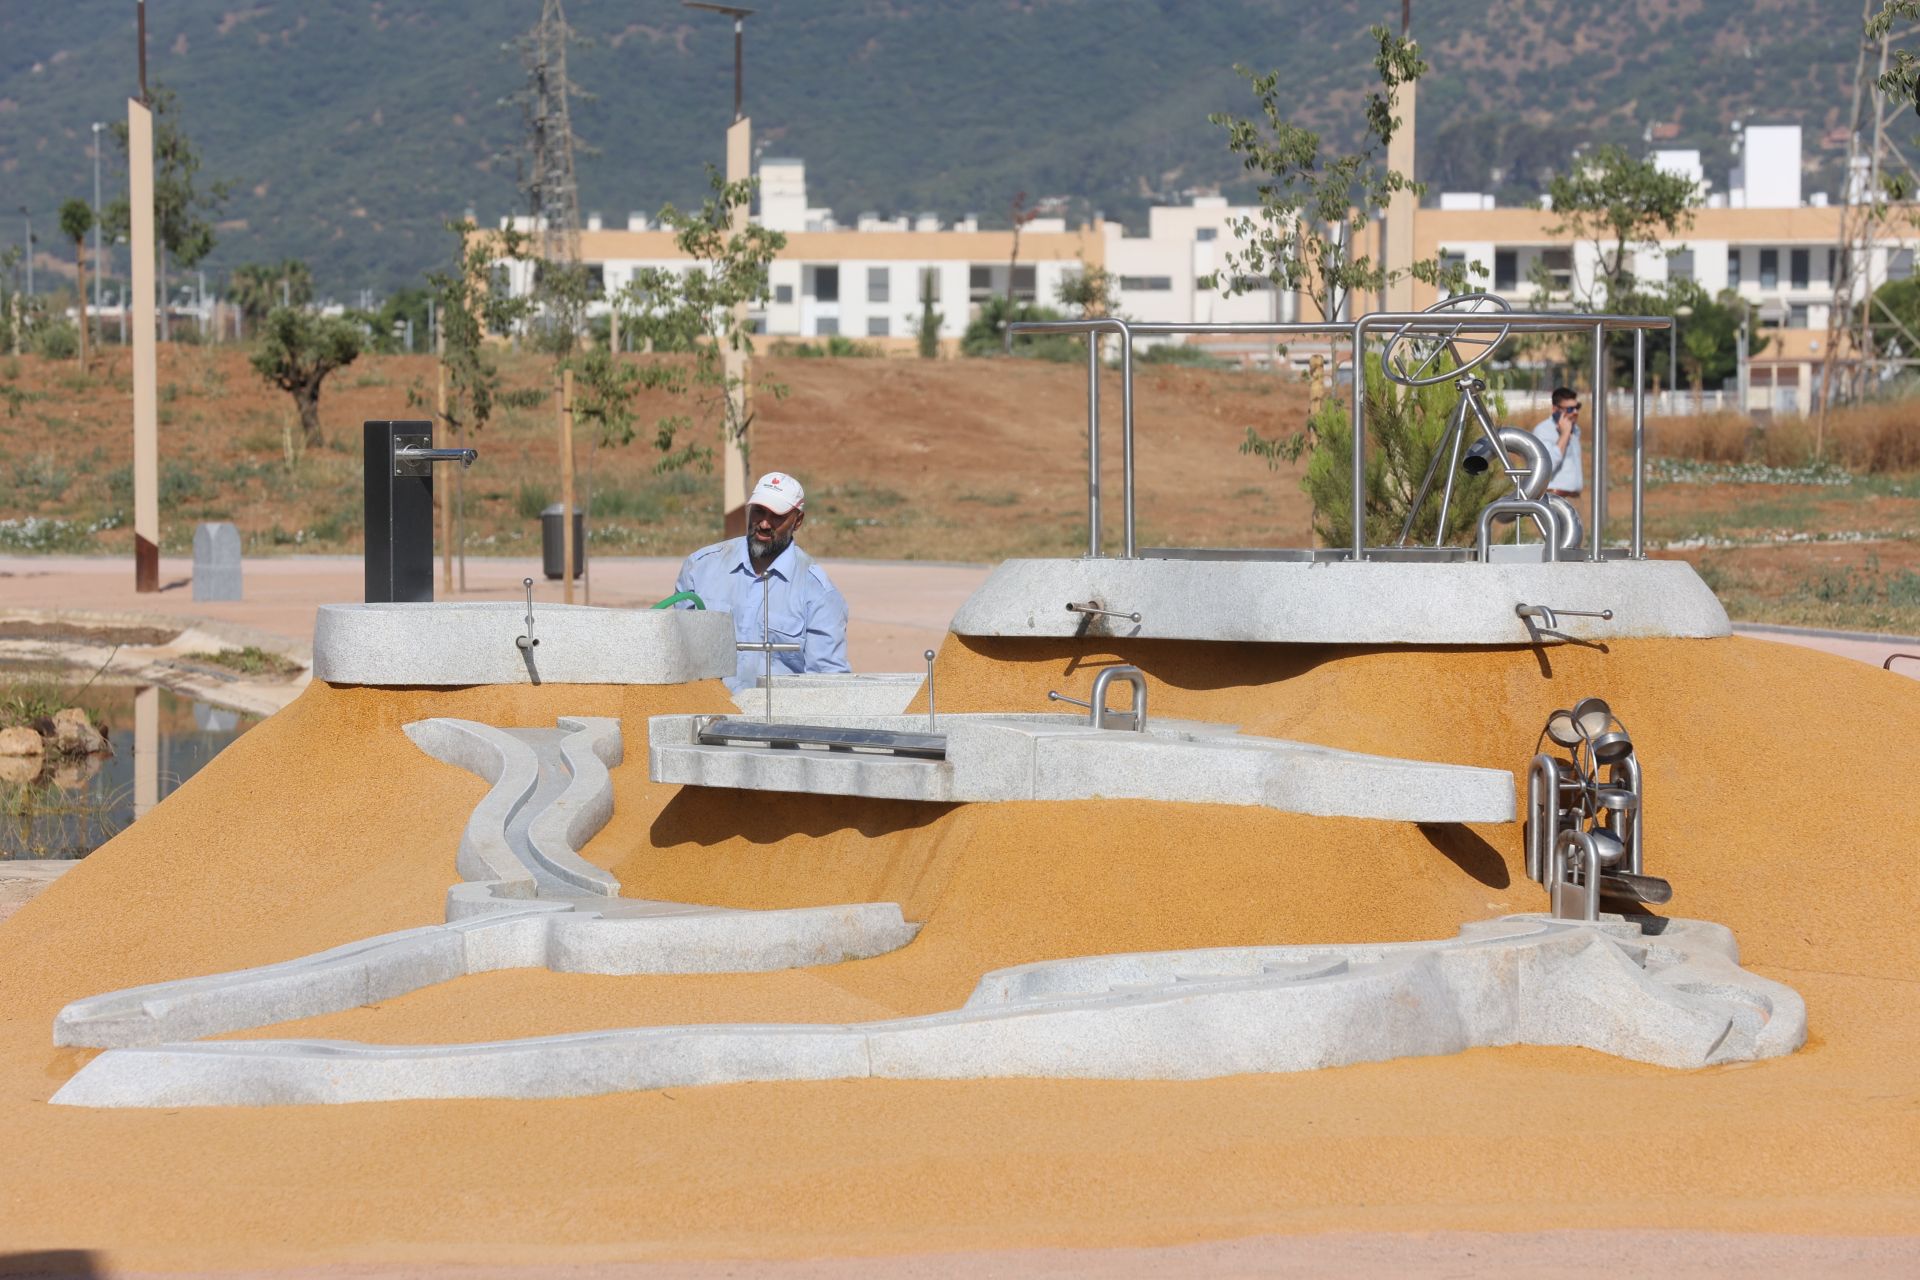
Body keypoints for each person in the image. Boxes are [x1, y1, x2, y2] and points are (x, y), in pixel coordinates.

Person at [672, 471, 850, 692]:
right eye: (758, 511)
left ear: (798, 521)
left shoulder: (819, 593)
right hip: (707, 710)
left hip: (776, 714)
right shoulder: (700, 568)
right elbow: (677, 652)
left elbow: (828, 683)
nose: (764, 524)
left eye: (777, 516)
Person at [1531, 387, 1583, 500]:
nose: (1575, 412)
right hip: (1554, 499)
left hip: (1572, 499)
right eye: (1570, 409)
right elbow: (1547, 466)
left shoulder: (1575, 430)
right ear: (1555, 409)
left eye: (1577, 407)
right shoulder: (1543, 430)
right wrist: (1564, 435)